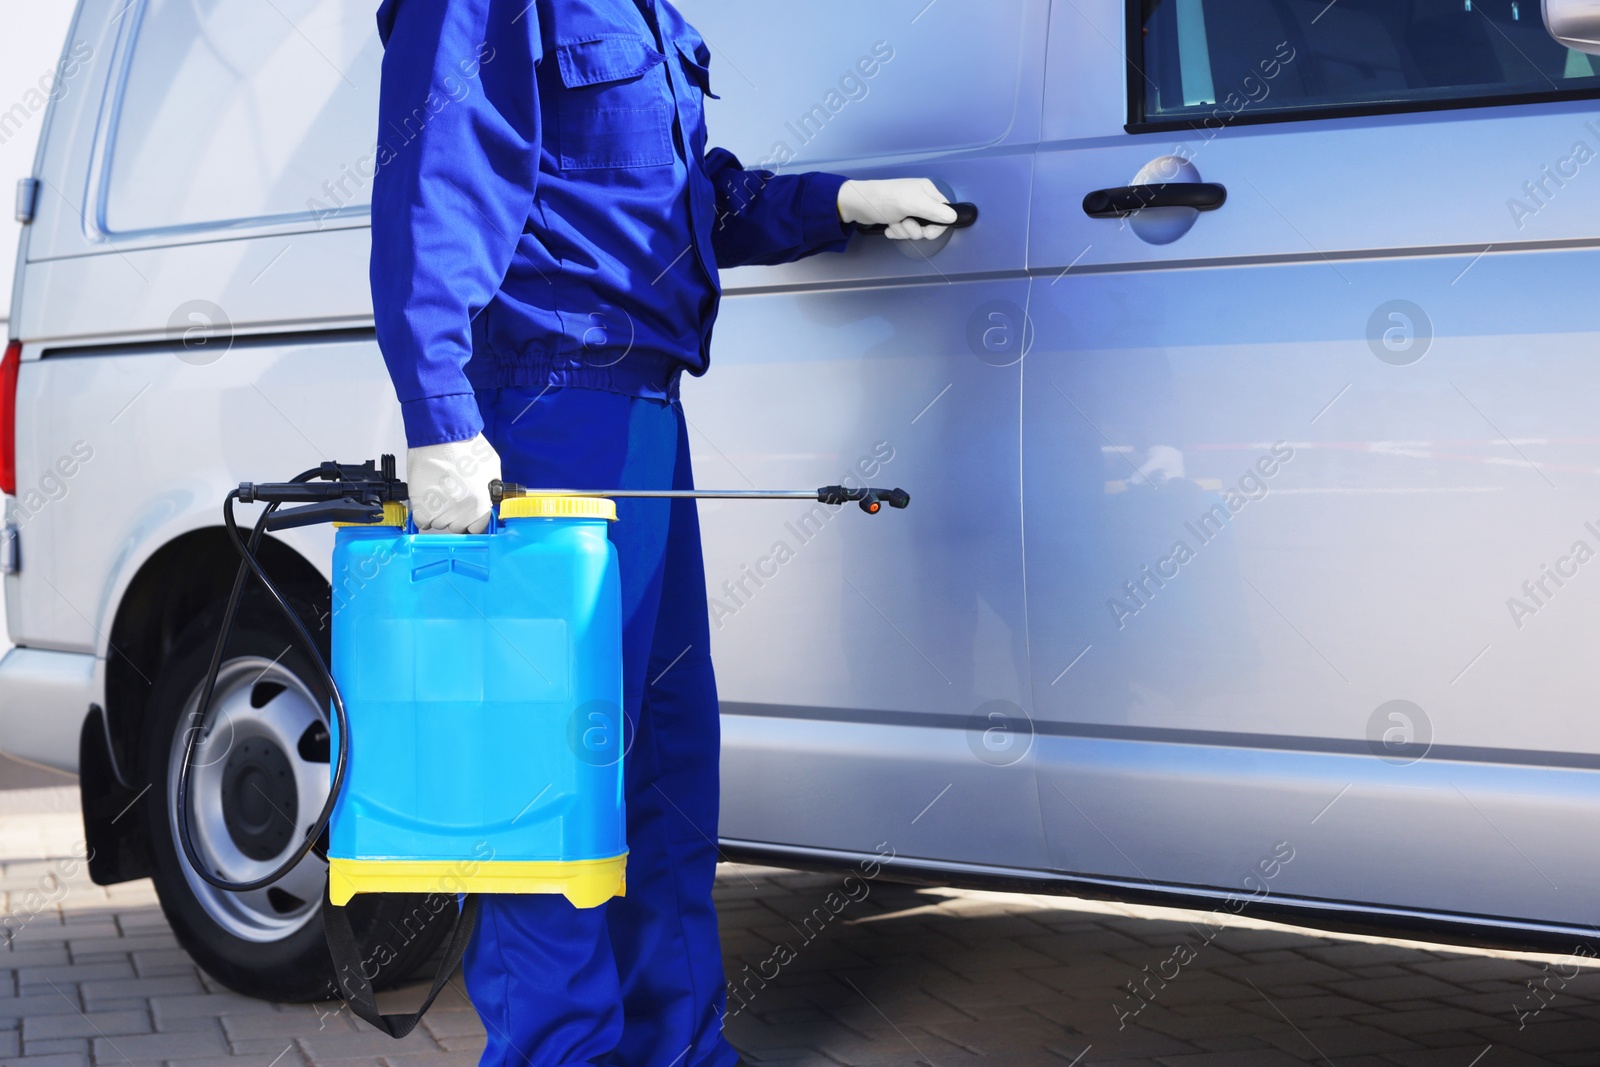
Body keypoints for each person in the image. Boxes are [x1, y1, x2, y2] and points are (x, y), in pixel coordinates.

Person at [369, 2, 955, 1064]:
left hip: (641, 414)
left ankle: (681, 1050)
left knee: (664, 769)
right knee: (550, 786)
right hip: (541, 417)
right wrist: (442, 422)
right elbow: (435, 186)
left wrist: (839, 201)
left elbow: (680, 202)